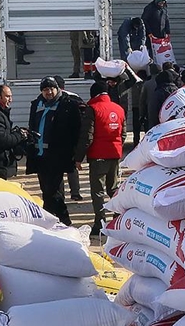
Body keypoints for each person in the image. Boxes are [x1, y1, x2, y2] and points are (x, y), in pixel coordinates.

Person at [26, 77, 83, 225]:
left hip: (57, 155)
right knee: (46, 190)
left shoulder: (67, 104)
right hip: (40, 155)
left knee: (53, 191)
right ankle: (52, 220)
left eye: (51, 89)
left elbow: (76, 130)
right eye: (45, 90)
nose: (49, 92)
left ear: (57, 89)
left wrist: (76, 153)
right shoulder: (36, 104)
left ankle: (63, 221)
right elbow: (33, 125)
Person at [74, 81, 126, 235]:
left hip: (98, 156)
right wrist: (116, 147)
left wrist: (79, 157)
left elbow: (87, 136)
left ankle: (100, 223)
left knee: (98, 191)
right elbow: (123, 134)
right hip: (115, 155)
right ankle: (118, 218)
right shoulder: (119, 109)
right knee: (113, 188)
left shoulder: (93, 109)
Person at [54, 76, 85, 201]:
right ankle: (75, 193)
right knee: (72, 167)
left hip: (56, 138)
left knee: (57, 168)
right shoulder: (75, 97)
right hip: (73, 138)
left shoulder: (51, 98)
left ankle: (60, 193)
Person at [139, 63, 162, 128]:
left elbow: (142, 101)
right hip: (163, 110)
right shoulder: (164, 82)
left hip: (150, 111)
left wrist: (141, 114)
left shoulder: (147, 84)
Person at [131, 69, 148, 145]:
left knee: (136, 128)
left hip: (136, 107)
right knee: (147, 127)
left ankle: (136, 144)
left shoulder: (134, 84)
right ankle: (147, 143)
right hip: (145, 107)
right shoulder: (146, 84)